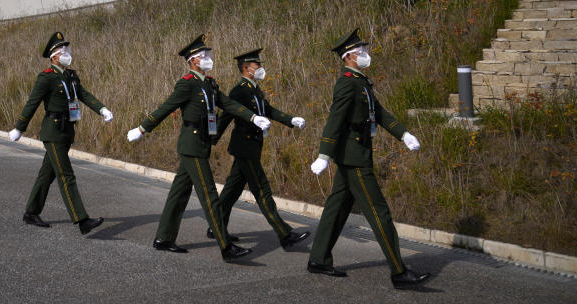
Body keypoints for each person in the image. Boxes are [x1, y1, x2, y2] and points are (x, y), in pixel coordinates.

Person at [126, 34, 270, 262]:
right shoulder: (187, 84)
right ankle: (226, 247)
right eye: (205, 56)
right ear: (194, 60)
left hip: (201, 142)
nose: (209, 58)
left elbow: (228, 104)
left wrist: (252, 117)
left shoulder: (209, 83)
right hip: (192, 145)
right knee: (209, 194)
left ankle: (163, 238)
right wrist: (142, 129)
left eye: (209, 55)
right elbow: (166, 107)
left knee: (179, 193)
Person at [306, 29, 430, 289]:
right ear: (349, 56)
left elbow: (380, 113)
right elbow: (335, 121)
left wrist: (403, 134)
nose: (366, 54)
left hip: (356, 153)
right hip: (354, 158)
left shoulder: (361, 81)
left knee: (337, 208)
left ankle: (318, 259)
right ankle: (399, 271)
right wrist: (323, 155)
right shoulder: (347, 82)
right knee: (379, 211)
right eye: (362, 51)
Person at [9, 31, 111, 235]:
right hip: (53, 131)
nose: (67, 54)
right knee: (66, 175)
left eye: (68, 50)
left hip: (67, 131)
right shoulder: (46, 77)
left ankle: (31, 212)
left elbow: (83, 95)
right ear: (54, 56)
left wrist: (101, 109)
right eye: (63, 51)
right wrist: (20, 127)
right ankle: (82, 220)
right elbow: (32, 103)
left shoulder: (71, 75)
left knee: (47, 174)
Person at [207, 47, 310, 250]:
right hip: (244, 146)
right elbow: (227, 115)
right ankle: (285, 234)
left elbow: (268, 110)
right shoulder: (240, 91)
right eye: (257, 65)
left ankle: (215, 226)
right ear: (246, 68)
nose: (261, 68)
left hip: (253, 146)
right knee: (262, 190)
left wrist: (291, 120)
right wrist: (210, 139)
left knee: (232, 190)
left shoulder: (254, 89)